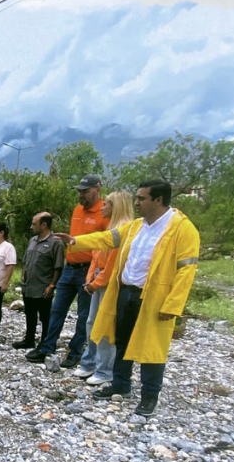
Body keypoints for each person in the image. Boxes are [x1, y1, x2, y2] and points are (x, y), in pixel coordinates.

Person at [54, 180, 200, 416]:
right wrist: (75, 241)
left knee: (152, 348)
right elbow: (106, 239)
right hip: (126, 292)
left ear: (158, 200)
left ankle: (149, 396)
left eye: (142, 198)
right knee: (121, 340)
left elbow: (187, 270)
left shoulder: (182, 229)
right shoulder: (135, 226)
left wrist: (172, 305)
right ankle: (121, 384)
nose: (137, 202)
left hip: (153, 298)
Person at [25, 174, 109, 367]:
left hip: (88, 270)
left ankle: (76, 350)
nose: (81, 195)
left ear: (97, 189)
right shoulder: (77, 210)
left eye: (85, 191)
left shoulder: (104, 213)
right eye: (79, 191)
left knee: (84, 314)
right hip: (69, 268)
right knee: (57, 309)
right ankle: (47, 347)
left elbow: (106, 244)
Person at [75, 191, 135, 385]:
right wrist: (89, 277)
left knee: (106, 326)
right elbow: (96, 255)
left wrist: (96, 282)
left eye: (107, 204)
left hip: (109, 284)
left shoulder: (125, 229)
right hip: (98, 279)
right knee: (91, 322)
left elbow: (114, 264)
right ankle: (90, 362)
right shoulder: (110, 227)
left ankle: (105, 369)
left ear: (116, 206)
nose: (102, 207)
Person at [13, 212, 64, 350]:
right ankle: (29, 340)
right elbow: (25, 260)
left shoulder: (56, 243)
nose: (31, 227)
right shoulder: (33, 240)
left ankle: (45, 343)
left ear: (44, 225)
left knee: (45, 317)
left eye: (34, 224)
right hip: (28, 286)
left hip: (43, 287)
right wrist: (23, 275)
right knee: (30, 314)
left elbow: (58, 267)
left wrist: (52, 286)